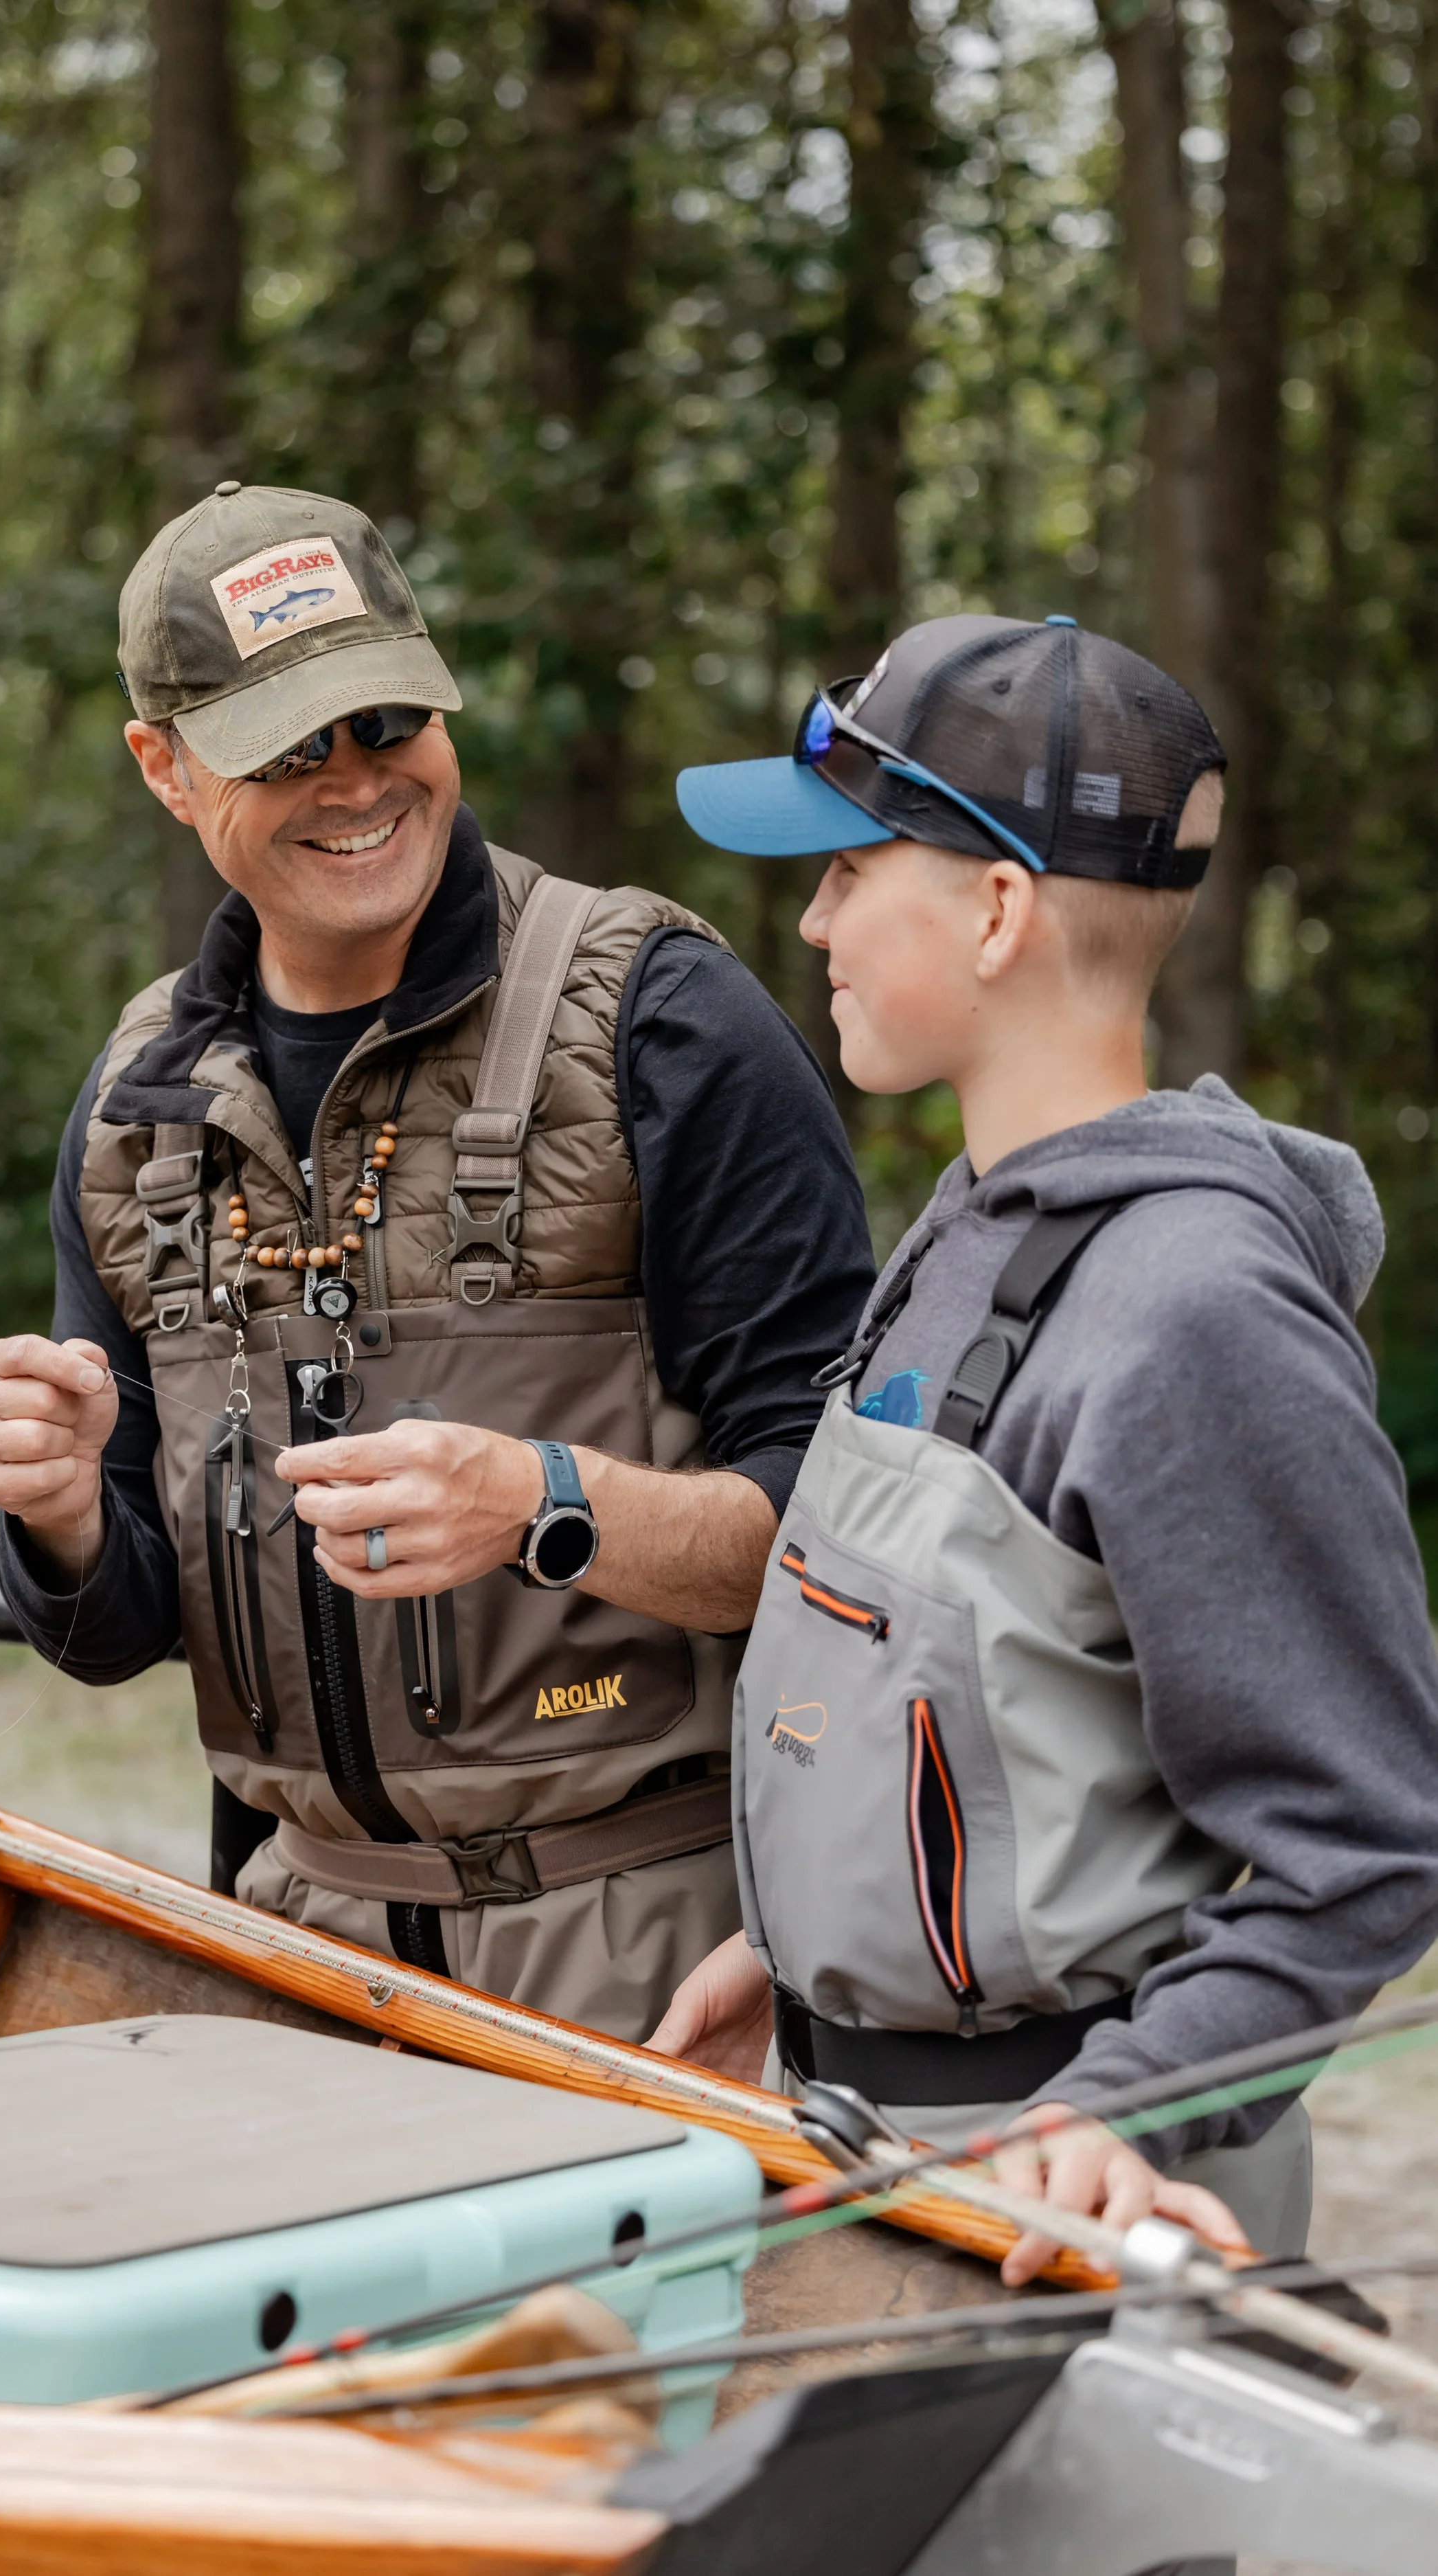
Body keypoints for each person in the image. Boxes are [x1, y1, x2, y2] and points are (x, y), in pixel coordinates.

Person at [0, 481, 874, 2042]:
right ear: (163, 770)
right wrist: (55, 1519)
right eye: (285, 747)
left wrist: (546, 1508)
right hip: (292, 1954)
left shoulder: (663, 1020)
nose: (355, 781)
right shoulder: (136, 1108)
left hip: (648, 1952)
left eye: (385, 718)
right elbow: (116, 1631)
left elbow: (854, 1538)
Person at [650, 610, 1438, 2276]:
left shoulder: (1195, 1314)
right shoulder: (965, 1230)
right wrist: (807, 1962)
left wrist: (1124, 2108)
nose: (809, 922)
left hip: (1052, 2203)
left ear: (996, 908)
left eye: (849, 871)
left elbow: (1365, 1835)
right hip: (861, 2131)